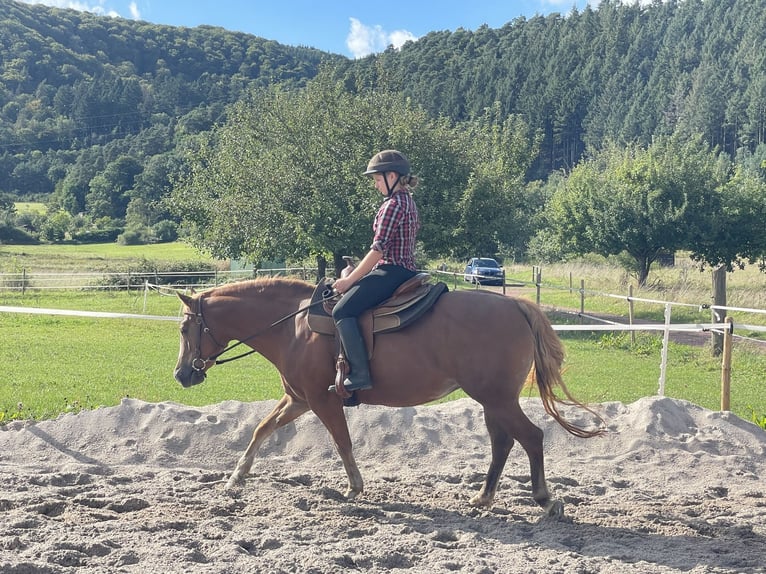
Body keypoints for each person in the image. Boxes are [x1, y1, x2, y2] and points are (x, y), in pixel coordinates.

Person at [330, 150, 421, 393]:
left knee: (342, 310)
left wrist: (349, 280)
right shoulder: (408, 201)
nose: (376, 185)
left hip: (392, 271)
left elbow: (379, 250)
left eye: (378, 180)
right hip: (404, 269)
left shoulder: (392, 205)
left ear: (392, 176)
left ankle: (360, 374)